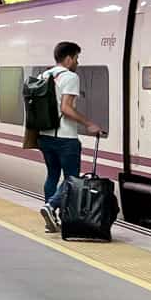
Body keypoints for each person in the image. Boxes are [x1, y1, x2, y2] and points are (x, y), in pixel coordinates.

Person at [38, 42, 102, 234]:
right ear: (68, 59)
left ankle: (51, 219)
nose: (77, 62)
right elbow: (66, 108)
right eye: (76, 58)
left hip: (45, 136)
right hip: (65, 138)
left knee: (52, 175)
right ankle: (51, 207)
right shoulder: (70, 77)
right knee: (72, 178)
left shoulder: (44, 75)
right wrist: (89, 123)